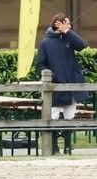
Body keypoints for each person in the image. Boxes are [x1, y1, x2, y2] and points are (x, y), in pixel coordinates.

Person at [33, 13, 89, 155]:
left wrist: (67, 31)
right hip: (55, 86)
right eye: (67, 23)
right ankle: (54, 147)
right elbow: (40, 64)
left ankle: (68, 147)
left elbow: (81, 45)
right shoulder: (45, 43)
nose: (70, 26)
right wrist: (51, 75)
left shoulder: (69, 38)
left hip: (71, 84)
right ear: (58, 24)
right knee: (54, 116)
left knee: (70, 117)